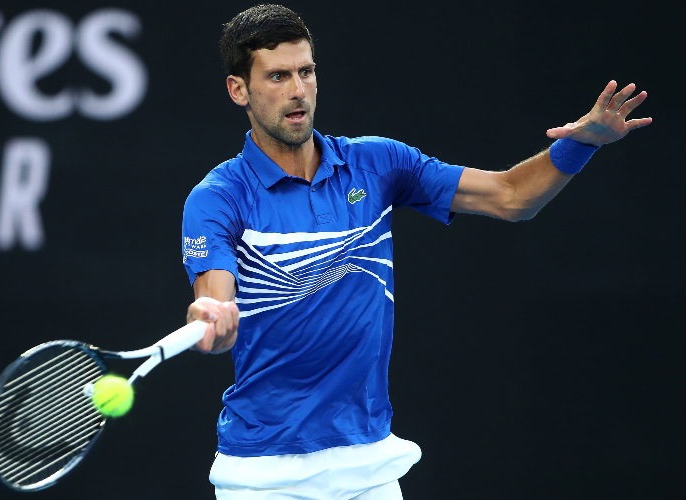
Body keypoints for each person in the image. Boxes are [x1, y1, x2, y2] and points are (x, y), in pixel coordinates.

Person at [181, 5, 651, 499]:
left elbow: (511, 197)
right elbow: (215, 303)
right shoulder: (218, 197)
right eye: (277, 76)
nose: (298, 90)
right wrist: (211, 315)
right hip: (264, 476)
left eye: (306, 71)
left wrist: (582, 145)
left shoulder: (378, 163)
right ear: (239, 90)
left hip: (370, 467)